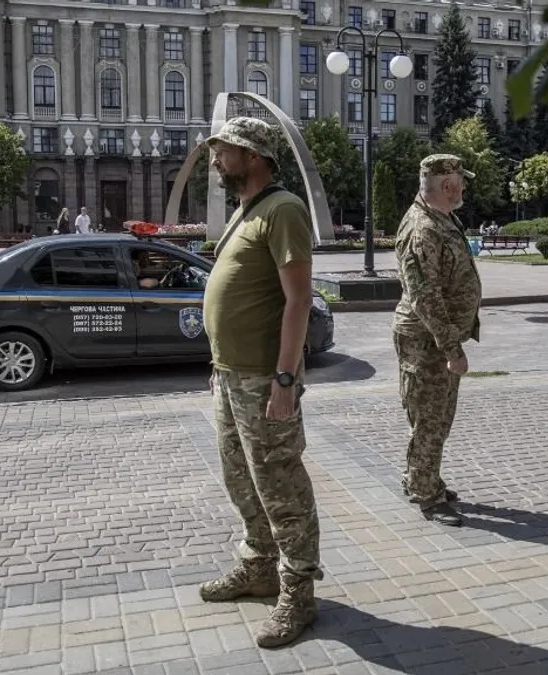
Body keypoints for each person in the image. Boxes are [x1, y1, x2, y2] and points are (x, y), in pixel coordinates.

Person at [198, 117, 320, 648]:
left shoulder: (283, 209)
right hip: (230, 376)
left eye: (222, 150)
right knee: (240, 480)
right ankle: (259, 567)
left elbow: (299, 301)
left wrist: (285, 379)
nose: (215, 159)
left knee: (281, 486)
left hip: (265, 380)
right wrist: (219, 366)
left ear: (252, 155)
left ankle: (299, 592)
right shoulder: (246, 210)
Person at [392, 154, 483, 527]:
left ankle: (423, 477)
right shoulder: (423, 228)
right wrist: (451, 348)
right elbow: (424, 296)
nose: (463, 188)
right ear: (447, 184)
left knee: (438, 417)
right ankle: (426, 494)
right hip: (426, 341)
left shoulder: (442, 218)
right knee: (429, 419)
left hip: (437, 338)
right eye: (461, 182)